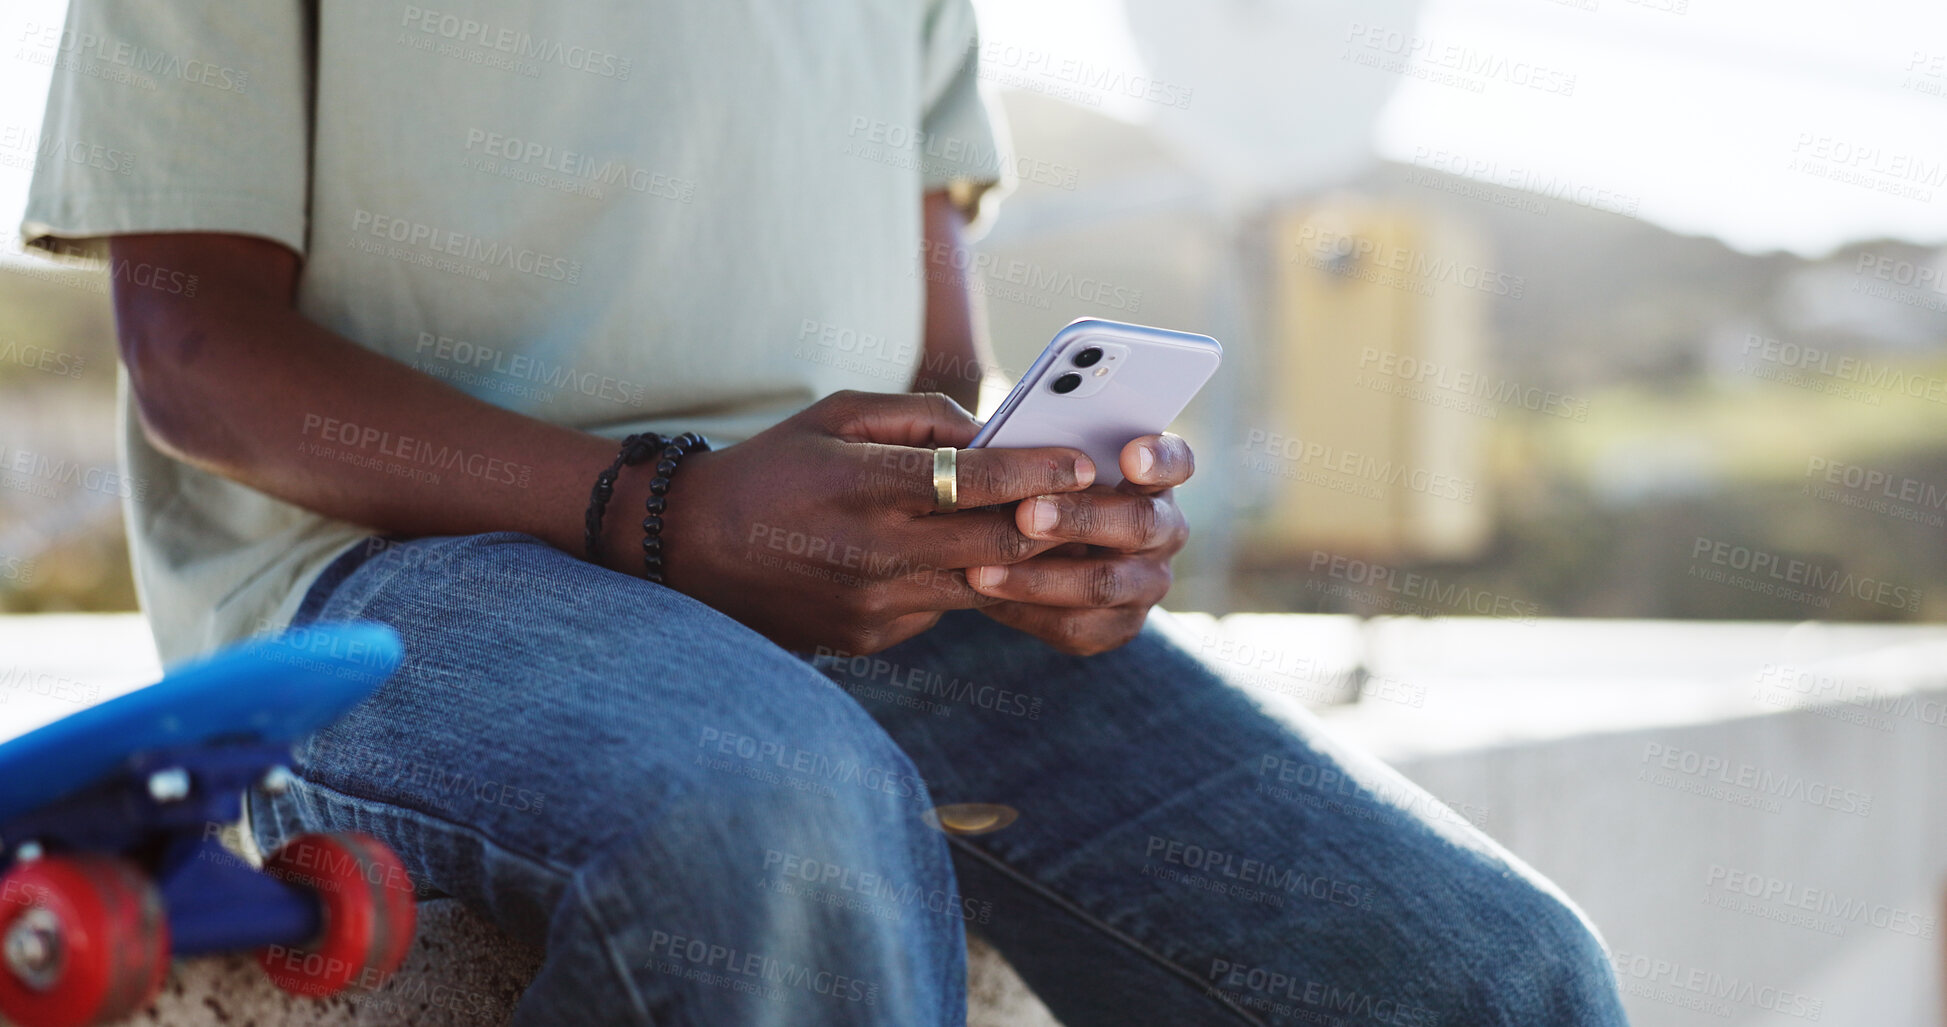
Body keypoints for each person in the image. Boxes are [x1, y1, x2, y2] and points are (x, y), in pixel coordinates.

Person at [22, 2, 1628, 1023]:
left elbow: (936, 356)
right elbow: (200, 355)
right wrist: (664, 509)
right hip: (404, 585)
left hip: (849, 580)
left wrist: (1018, 516)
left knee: (1493, 977)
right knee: (775, 816)